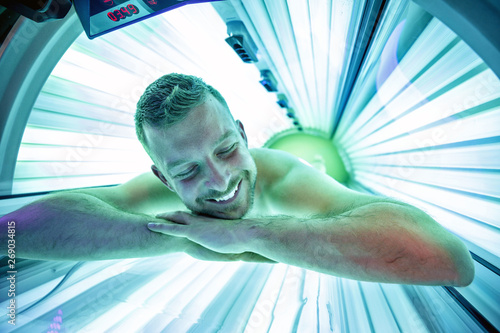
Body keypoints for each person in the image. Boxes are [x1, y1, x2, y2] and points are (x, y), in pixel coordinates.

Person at [0, 73, 474, 286]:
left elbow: (450, 259)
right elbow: (12, 231)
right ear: (161, 179)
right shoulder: (150, 195)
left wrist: (244, 233)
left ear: (245, 136)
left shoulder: (287, 179)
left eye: (227, 149)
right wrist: (183, 239)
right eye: (186, 171)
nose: (219, 177)